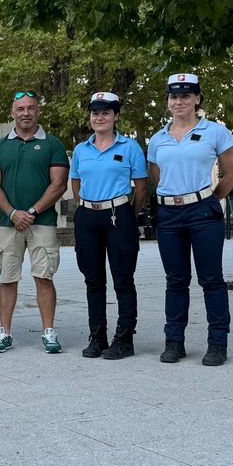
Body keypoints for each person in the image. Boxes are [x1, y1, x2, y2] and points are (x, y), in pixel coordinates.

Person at [148, 73, 233, 366]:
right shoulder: (157, 139)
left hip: (202, 212)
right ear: (168, 101)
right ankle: (174, 341)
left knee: (211, 279)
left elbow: (231, 174)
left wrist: (210, 199)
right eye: (174, 97)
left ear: (197, 99)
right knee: (175, 280)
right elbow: (157, 176)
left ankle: (218, 343)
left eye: (186, 96)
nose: (179, 101)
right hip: (169, 214)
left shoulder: (216, 132)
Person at [0, 91, 69, 354]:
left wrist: (31, 211)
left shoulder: (53, 144)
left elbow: (59, 184)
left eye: (31, 108)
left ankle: (48, 331)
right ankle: (5, 332)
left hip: (42, 222)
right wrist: (12, 213)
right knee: (7, 278)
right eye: (20, 109)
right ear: (12, 113)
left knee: (44, 277)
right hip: (8, 223)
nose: (25, 113)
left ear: (38, 111)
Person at [70, 92, 148, 359]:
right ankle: (97, 336)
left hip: (119, 215)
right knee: (93, 279)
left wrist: (127, 213)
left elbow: (141, 188)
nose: (99, 117)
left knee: (123, 279)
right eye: (95, 112)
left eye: (105, 112)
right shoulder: (81, 150)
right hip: (88, 216)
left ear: (115, 116)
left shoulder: (130, 148)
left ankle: (124, 339)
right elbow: (76, 184)